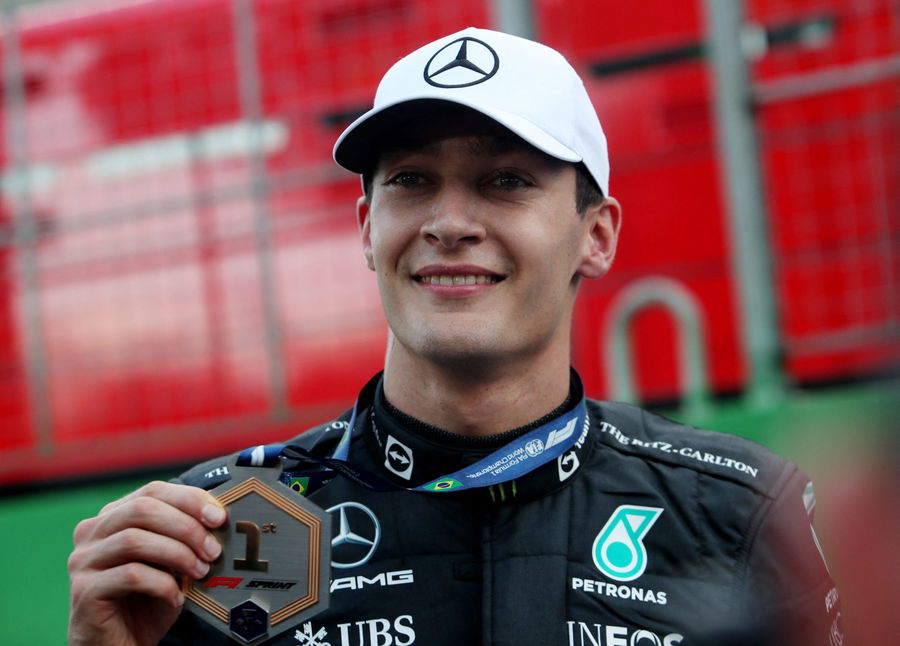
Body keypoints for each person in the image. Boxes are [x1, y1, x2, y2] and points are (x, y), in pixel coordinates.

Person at [68, 27, 842, 646]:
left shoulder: (737, 512)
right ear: (368, 229)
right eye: (412, 180)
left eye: (506, 181)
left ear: (596, 236)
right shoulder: (221, 527)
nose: (448, 223)